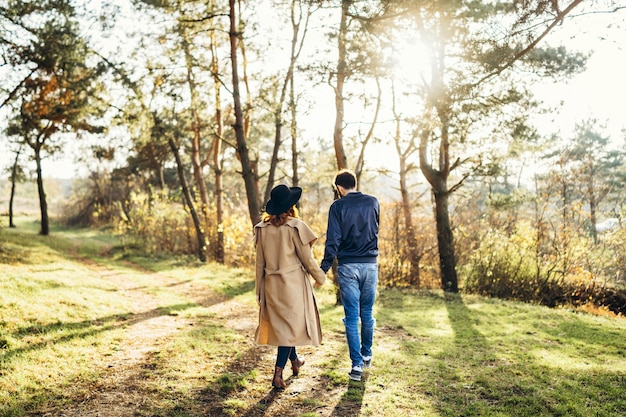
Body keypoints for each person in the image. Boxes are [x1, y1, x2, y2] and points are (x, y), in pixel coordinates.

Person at [254, 184, 326, 390]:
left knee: (286, 327)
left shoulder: (262, 229)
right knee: (289, 327)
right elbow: (307, 259)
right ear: (291, 206)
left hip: (271, 284)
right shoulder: (295, 226)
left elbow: (259, 264)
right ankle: (278, 373)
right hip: (292, 286)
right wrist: (320, 277)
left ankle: (295, 361)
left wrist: (259, 290)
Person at [320, 169, 379, 382]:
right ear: (355, 183)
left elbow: (333, 240)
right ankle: (367, 354)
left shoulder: (337, 206)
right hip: (371, 265)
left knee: (352, 317)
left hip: (348, 267)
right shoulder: (373, 202)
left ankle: (356, 365)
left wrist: (323, 268)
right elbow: (375, 231)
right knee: (367, 312)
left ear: (338, 187)